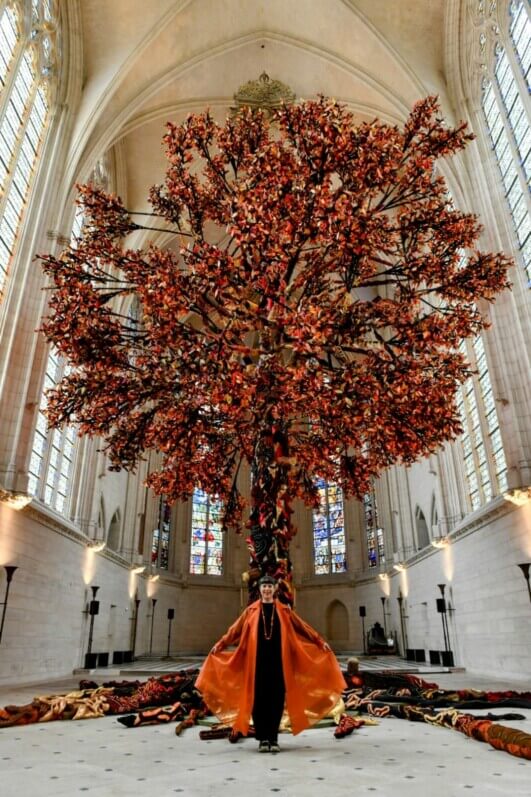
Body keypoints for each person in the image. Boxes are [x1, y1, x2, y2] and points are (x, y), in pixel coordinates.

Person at [195, 574, 346, 753]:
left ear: (275, 589)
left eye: (270, 586)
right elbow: (233, 631)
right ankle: (262, 739)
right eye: (264, 586)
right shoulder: (250, 611)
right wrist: (220, 644)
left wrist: (319, 641)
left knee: (275, 700)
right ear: (259, 589)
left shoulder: (284, 611)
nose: (267, 589)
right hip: (256, 663)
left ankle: (273, 738)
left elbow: (302, 627)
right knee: (259, 701)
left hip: (279, 664)